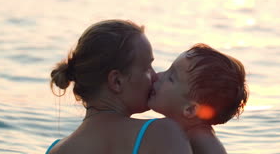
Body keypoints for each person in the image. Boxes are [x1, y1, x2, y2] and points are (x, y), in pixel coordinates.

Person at [46, 19, 192, 154]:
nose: (156, 76)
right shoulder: (161, 133)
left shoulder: (55, 149)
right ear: (116, 81)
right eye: (147, 68)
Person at [148, 43, 248, 154]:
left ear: (190, 109)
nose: (158, 75)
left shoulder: (200, 138)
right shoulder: (183, 133)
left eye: (171, 78)